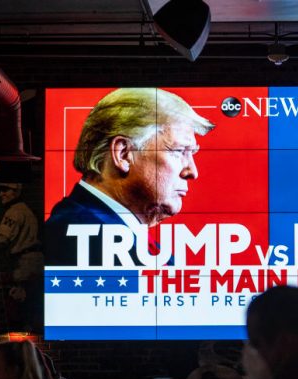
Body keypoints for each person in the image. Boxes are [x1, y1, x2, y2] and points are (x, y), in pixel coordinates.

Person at [44, 88, 214, 266]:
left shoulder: (100, 231)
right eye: (180, 151)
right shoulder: (87, 239)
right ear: (124, 153)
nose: (192, 171)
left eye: (191, 153)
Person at [0, 182, 44, 329]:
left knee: (18, 313)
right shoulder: (27, 210)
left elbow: (0, 241)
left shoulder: (14, 212)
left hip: (23, 265)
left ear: (17, 191)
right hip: (36, 262)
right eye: (0, 190)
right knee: (33, 314)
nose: (1, 194)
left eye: (6, 190)